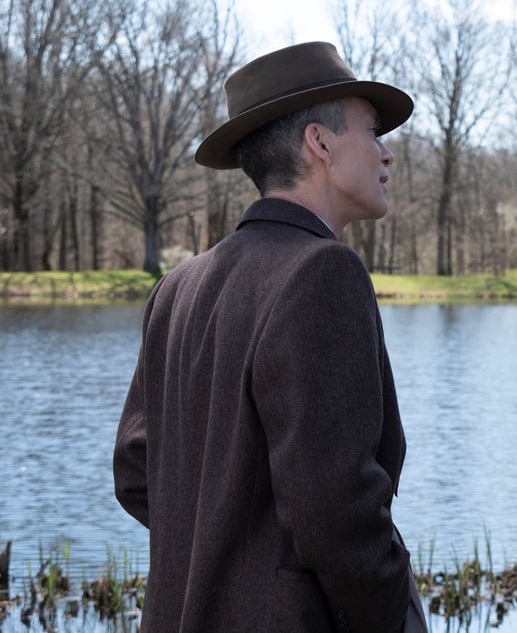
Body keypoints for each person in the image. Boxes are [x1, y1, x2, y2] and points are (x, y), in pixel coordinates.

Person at [113, 41, 427, 633]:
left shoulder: (177, 285)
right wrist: (391, 615)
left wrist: (222, 557)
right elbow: (334, 510)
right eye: (372, 131)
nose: (386, 154)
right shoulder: (322, 272)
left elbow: (137, 473)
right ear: (321, 142)